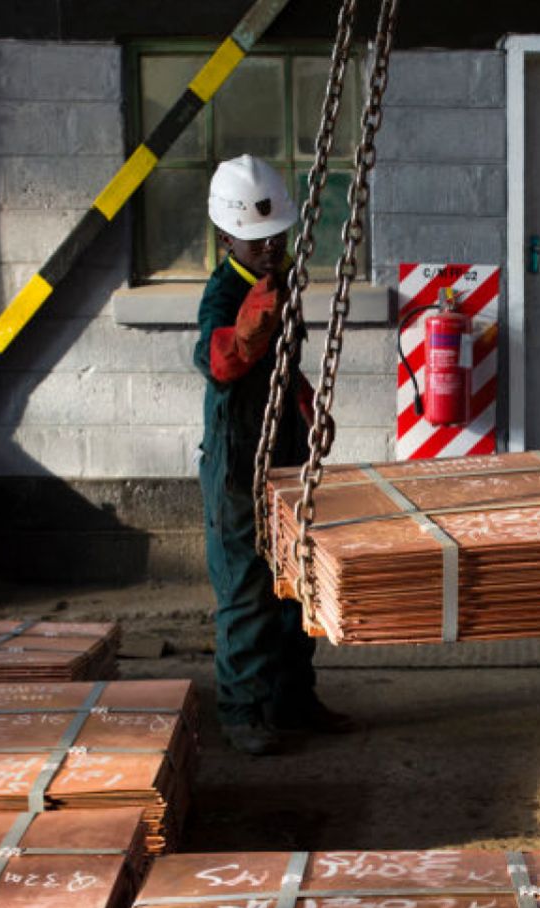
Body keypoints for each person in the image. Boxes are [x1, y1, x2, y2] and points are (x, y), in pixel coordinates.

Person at [197, 154, 355, 755]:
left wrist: (309, 405)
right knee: (246, 591)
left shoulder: (281, 279)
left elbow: (285, 366)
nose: (269, 249)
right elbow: (215, 361)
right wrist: (240, 339)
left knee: (295, 584)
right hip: (239, 463)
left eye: (277, 237)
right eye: (255, 240)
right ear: (224, 237)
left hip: (285, 453)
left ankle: (293, 700)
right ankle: (242, 713)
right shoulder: (224, 292)